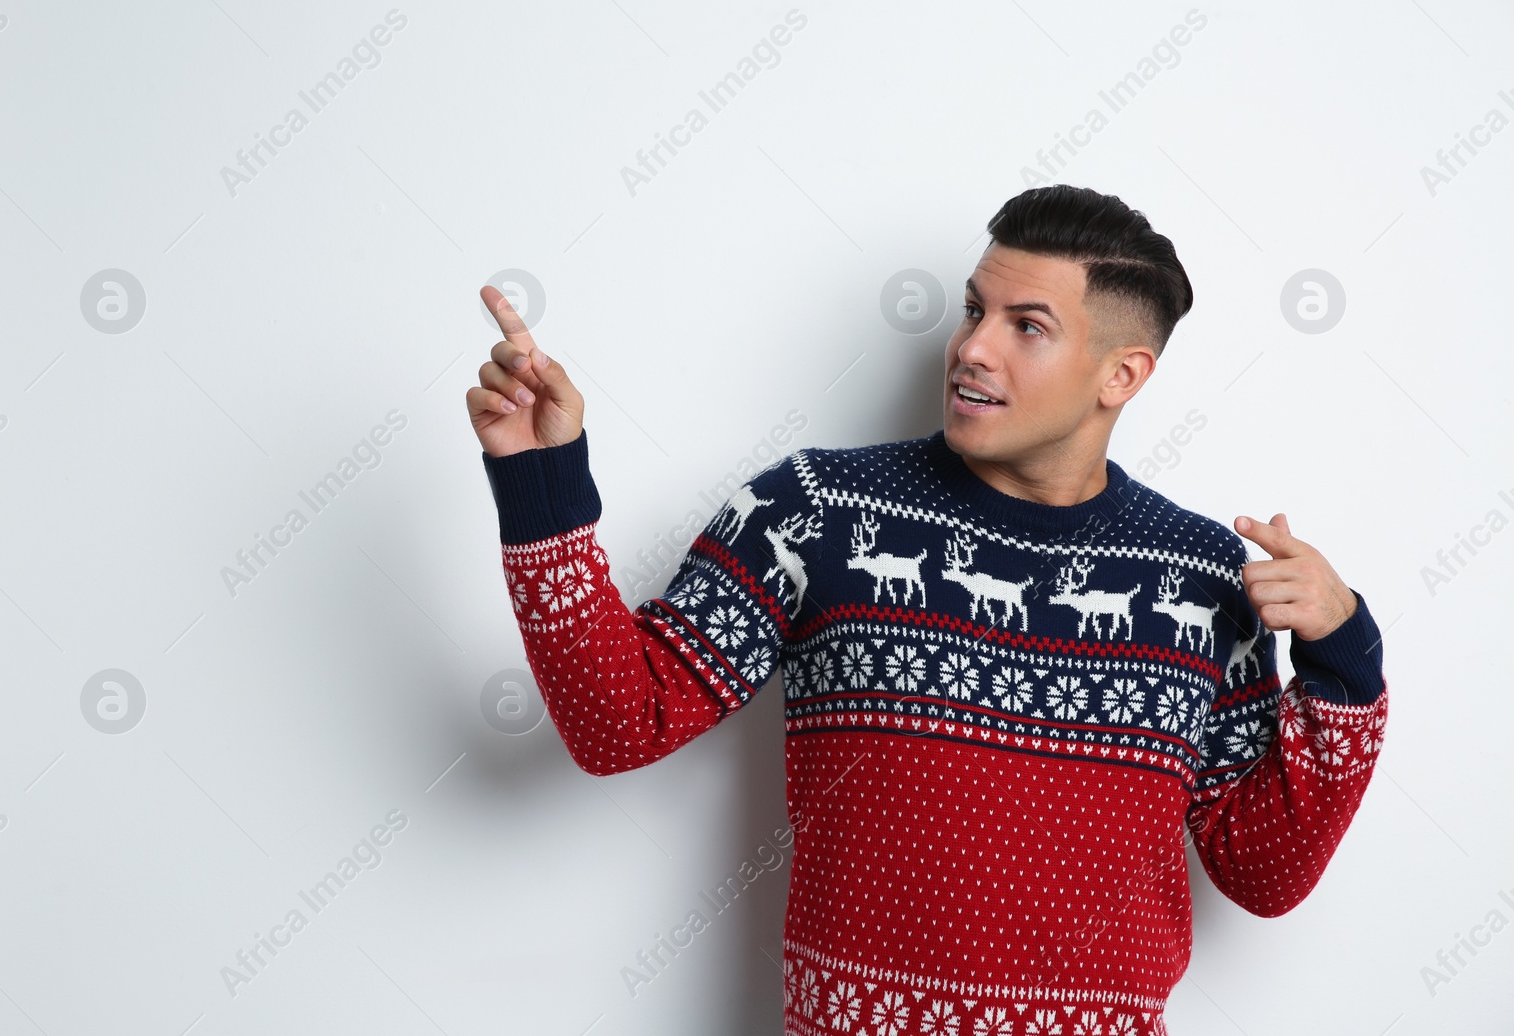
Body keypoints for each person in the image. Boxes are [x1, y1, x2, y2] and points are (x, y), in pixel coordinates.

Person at [467, 184, 1388, 1035]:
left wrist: (1344, 653)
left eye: (1027, 324)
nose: (973, 347)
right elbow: (620, 721)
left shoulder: (1199, 577)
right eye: (974, 309)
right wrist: (539, 480)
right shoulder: (814, 510)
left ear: (1122, 375)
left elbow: (1263, 873)